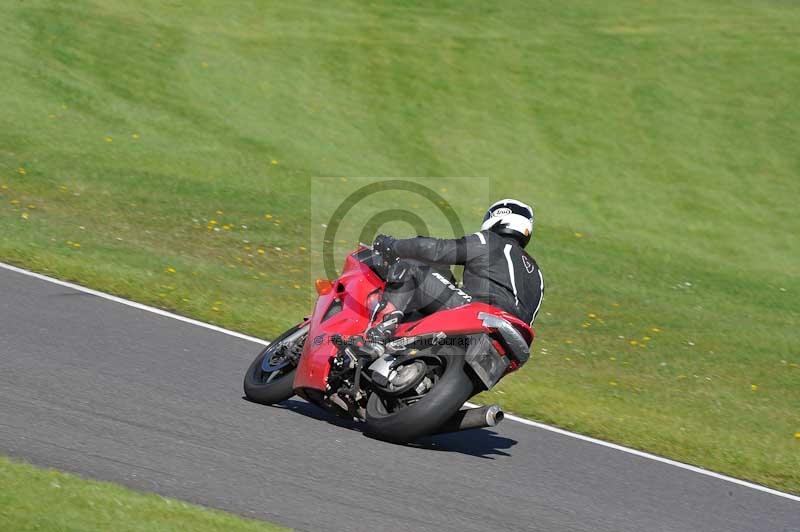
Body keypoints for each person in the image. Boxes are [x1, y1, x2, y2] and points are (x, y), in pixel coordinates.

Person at [366, 198, 544, 343]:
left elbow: (436, 250)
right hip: (512, 340)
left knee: (412, 265)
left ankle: (378, 332)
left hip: (477, 315)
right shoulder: (537, 275)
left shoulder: (490, 241)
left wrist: (392, 245)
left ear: (497, 217)